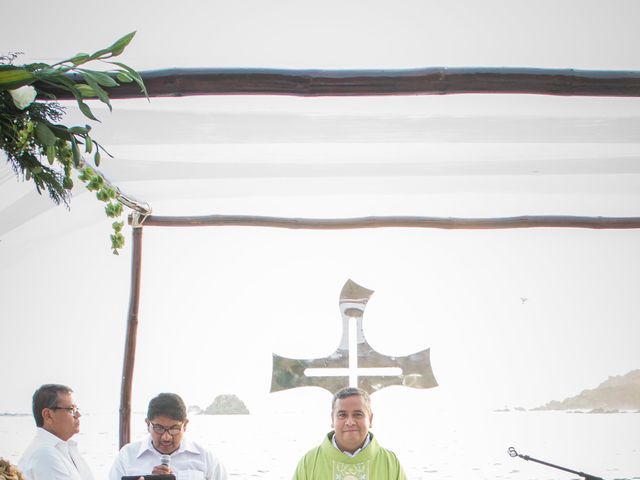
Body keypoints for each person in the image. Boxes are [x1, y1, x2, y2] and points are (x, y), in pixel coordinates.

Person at [293, 386, 407, 480]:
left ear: (370, 419)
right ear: (332, 420)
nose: (350, 422)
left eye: (358, 414)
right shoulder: (310, 462)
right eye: (342, 415)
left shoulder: (390, 462)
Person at [109, 392, 227, 480]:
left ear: (185, 425)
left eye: (174, 429)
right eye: (159, 428)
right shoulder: (128, 456)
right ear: (147, 424)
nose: (166, 437)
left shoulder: (206, 458)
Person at [18, 384, 94, 480]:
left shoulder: (66, 448)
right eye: (71, 409)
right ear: (48, 415)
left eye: (76, 409)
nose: (78, 414)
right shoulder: (44, 455)